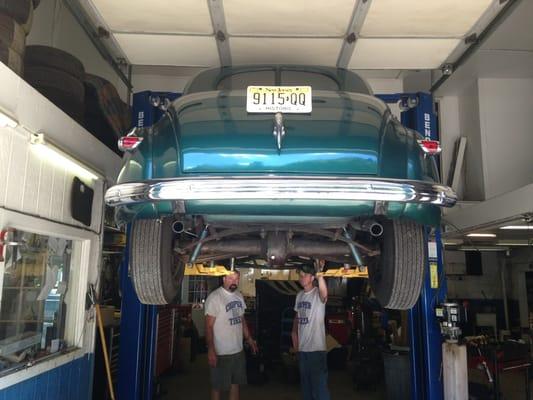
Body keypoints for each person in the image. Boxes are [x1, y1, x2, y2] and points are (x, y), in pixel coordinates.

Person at [205, 270, 258, 400]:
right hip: (221, 352)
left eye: (236, 279)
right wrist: (211, 349)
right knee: (217, 386)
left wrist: (249, 339)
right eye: (230, 278)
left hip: (238, 351)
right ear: (224, 278)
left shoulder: (239, 296)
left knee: (235, 384)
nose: (234, 282)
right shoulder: (215, 297)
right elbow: (208, 326)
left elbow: (242, 320)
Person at [291, 263, 330, 400]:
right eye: (300, 275)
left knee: (319, 389)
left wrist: (320, 274)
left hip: (316, 351)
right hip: (303, 350)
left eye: (305, 275)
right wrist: (294, 334)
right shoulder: (300, 295)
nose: (301, 277)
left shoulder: (317, 294)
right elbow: (297, 316)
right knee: (306, 388)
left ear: (312, 277)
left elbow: (324, 294)